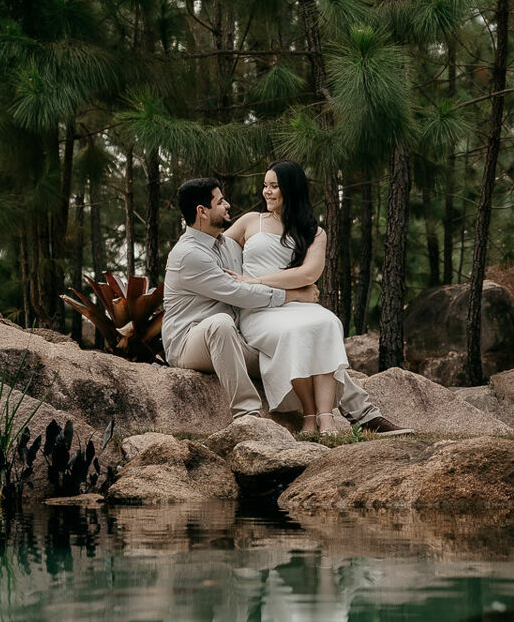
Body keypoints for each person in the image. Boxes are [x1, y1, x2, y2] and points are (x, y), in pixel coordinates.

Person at [225, 160, 402, 435]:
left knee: (328, 323)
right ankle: (314, 417)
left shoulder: (314, 233)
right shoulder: (250, 221)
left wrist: (258, 279)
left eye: (274, 186)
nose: (267, 192)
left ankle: (326, 418)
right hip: (258, 309)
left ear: (291, 190)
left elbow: (308, 273)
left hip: (297, 305)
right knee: (298, 333)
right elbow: (215, 251)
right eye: (265, 185)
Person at [162, 176, 318, 422]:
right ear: (201, 211)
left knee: (292, 343)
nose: (228, 206)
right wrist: (294, 295)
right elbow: (240, 293)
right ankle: (247, 415)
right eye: (221, 201)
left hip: (234, 340)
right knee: (220, 323)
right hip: (187, 341)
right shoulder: (189, 254)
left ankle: (358, 412)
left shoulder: (228, 246)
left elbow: (258, 275)